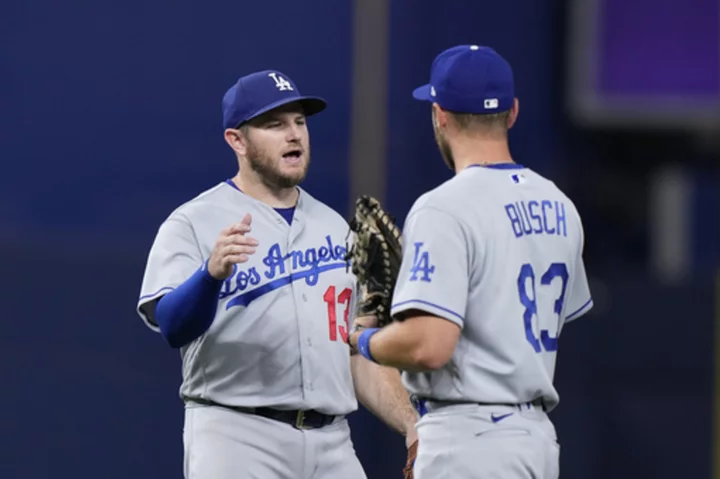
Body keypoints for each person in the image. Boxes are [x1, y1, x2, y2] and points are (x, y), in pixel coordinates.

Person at [136, 69, 418, 479]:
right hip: (237, 435)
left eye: (300, 122)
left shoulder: (333, 227)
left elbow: (353, 352)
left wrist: (411, 424)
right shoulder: (194, 222)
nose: (294, 135)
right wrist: (210, 276)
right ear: (237, 141)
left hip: (332, 440)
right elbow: (172, 327)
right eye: (274, 125)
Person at [349, 45, 594, 478]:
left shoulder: (443, 208)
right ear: (513, 112)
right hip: (535, 441)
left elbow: (429, 345)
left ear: (439, 115)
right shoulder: (560, 205)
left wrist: (366, 341)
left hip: (469, 439)